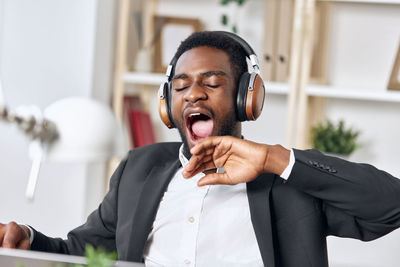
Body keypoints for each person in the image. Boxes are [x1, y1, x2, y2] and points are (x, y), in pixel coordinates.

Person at [1, 31, 400, 267]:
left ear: (247, 97)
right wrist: (30, 243)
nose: (193, 93)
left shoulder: (287, 179)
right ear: (167, 105)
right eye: (180, 86)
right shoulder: (139, 168)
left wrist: (274, 159)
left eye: (212, 83)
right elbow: (82, 251)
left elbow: (391, 206)